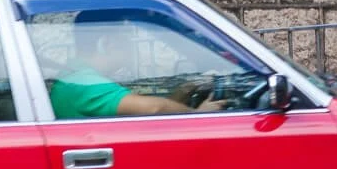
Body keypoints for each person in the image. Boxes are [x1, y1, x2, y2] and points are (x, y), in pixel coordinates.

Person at [47, 11, 228, 119]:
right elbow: (154, 108)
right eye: (126, 38)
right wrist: (199, 114)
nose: (131, 45)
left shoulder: (73, 75)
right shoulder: (85, 84)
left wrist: (182, 92)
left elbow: (141, 113)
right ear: (106, 44)